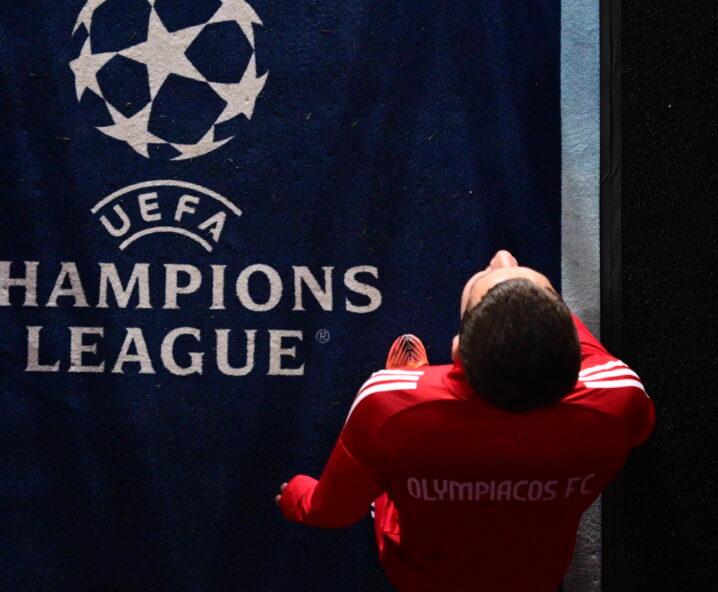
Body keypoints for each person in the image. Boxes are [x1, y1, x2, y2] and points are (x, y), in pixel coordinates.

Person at [276, 250, 655, 591]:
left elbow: (335, 511)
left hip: (420, 575)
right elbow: (633, 422)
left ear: (458, 350)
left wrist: (296, 496)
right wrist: (532, 316)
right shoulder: (619, 400)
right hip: (535, 577)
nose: (503, 257)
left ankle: (418, 384)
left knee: (390, 440)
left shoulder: (385, 402)